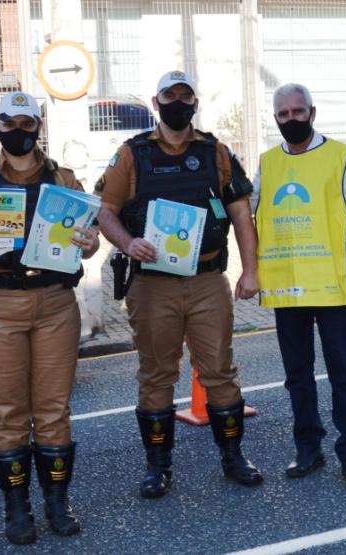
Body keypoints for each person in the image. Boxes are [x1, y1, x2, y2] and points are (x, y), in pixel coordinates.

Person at [96, 70, 263, 498]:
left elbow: (242, 213)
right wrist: (127, 241)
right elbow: (104, 210)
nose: (178, 103)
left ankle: (233, 457)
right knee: (156, 376)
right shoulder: (132, 154)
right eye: (170, 96)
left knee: (220, 373)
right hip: (153, 287)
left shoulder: (216, 152)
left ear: (195, 103)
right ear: (156, 102)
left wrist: (250, 271)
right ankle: (158, 467)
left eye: (185, 96)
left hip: (208, 280)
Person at [0, 91, 100, 545]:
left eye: (26, 123)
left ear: (39, 126)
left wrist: (89, 243)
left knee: (54, 410)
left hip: (55, 300)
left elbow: (90, 240)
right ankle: (17, 510)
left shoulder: (64, 179)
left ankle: (58, 503)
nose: (18, 131)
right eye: (8, 123)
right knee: (9, 413)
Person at [251, 83, 346, 485]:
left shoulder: (340, 156)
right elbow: (247, 209)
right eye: (283, 114)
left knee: (344, 371)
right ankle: (308, 449)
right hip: (287, 288)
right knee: (297, 374)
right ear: (275, 118)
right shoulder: (268, 162)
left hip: (332, 285)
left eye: (298, 111)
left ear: (312, 112)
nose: (291, 119)